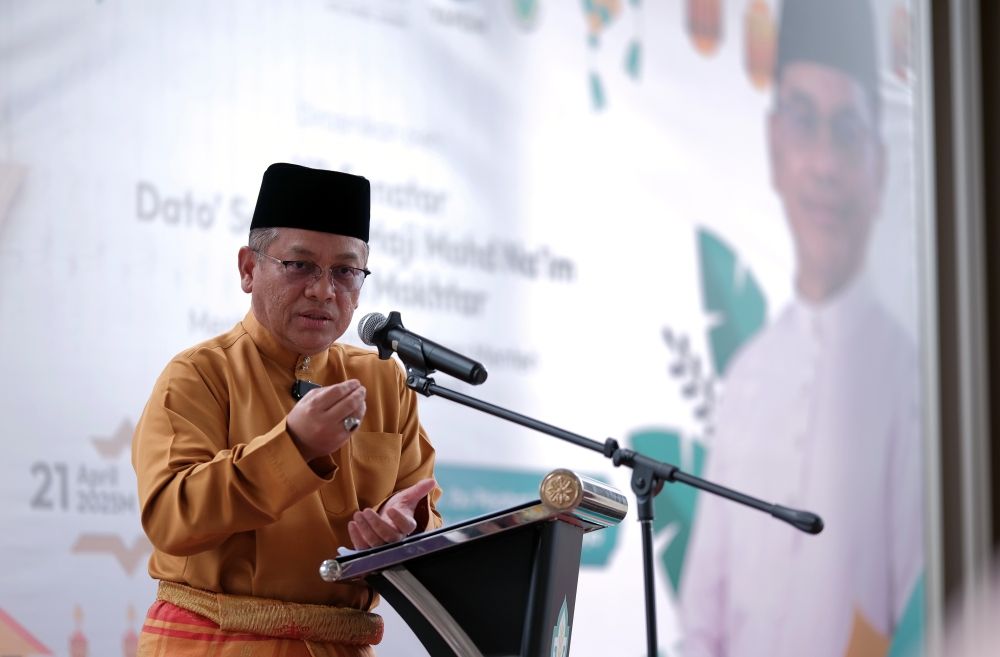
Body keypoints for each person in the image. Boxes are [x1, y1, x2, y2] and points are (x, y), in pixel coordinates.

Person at [680, 1, 923, 656]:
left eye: (846, 131)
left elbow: (920, 614)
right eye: (804, 123)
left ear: (878, 170)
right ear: (774, 145)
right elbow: (703, 616)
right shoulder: (750, 373)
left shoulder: (907, 375)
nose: (823, 163)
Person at [131, 163, 442, 657]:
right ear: (249, 270)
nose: (323, 290)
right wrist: (294, 446)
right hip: (216, 645)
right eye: (299, 266)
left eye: (345, 271)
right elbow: (172, 519)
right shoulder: (199, 373)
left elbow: (423, 513)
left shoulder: (385, 381)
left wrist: (407, 533)